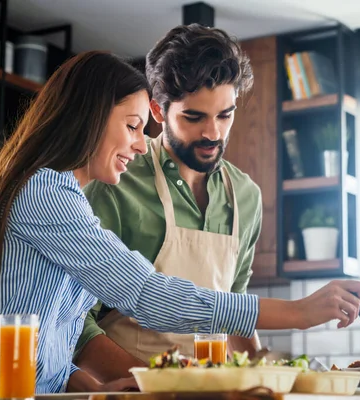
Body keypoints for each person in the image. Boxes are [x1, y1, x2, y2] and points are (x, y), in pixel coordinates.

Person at [0, 51, 360, 399]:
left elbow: (47, 349)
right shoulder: (45, 191)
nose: (140, 143)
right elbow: (151, 295)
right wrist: (297, 312)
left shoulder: (63, 197)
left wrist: (97, 384)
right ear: (90, 118)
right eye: (132, 126)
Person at [74, 24, 267, 381]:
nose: (213, 134)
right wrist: (158, 384)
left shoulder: (246, 196)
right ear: (158, 111)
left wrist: (266, 379)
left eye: (225, 115)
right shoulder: (116, 181)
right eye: (193, 117)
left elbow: (234, 311)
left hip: (211, 390)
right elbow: (75, 323)